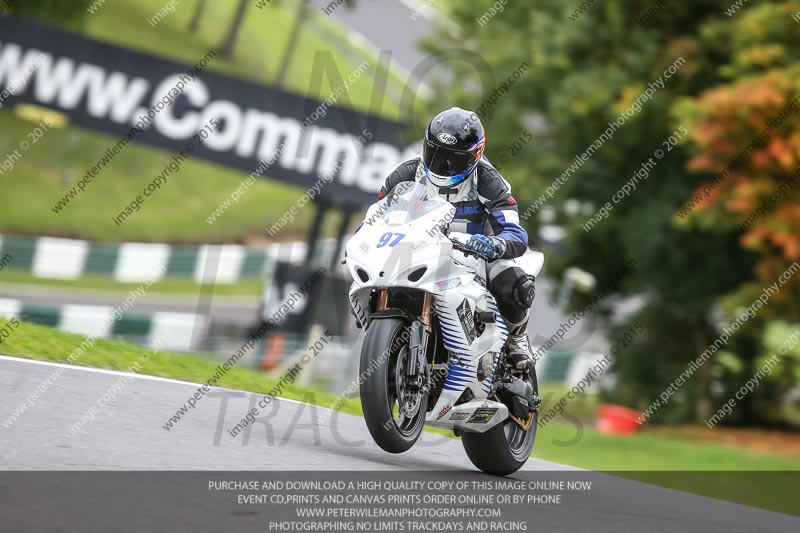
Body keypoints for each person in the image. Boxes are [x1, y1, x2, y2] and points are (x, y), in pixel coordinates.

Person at [378, 107, 536, 371]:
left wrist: (495, 244)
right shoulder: (403, 174)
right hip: (419, 250)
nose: (444, 164)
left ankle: (516, 339)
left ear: (475, 156)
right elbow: (375, 219)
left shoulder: (488, 181)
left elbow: (516, 233)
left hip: (474, 256)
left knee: (513, 280)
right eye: (437, 154)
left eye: (454, 159)